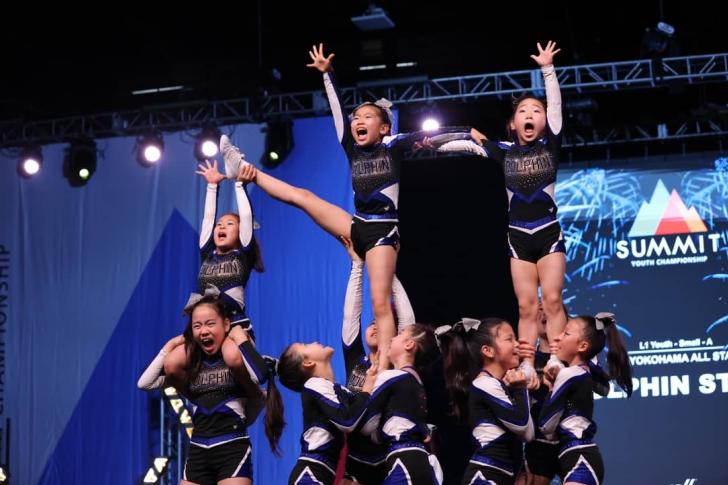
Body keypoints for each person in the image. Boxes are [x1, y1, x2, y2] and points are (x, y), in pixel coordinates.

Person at [432, 41, 567, 381]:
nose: (530, 115)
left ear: (545, 121)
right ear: (512, 123)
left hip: (548, 232)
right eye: (523, 112)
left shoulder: (551, 145)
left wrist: (547, 69)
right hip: (518, 236)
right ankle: (527, 363)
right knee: (525, 306)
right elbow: (469, 144)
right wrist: (432, 144)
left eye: (536, 111)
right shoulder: (503, 152)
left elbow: (555, 106)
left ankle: (556, 358)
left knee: (552, 300)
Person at [138, 295, 283, 485]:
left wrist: (240, 338)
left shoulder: (235, 359)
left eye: (210, 324)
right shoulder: (192, 366)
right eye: (197, 326)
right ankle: (256, 399)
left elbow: (260, 376)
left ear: (226, 324)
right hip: (198, 448)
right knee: (171, 363)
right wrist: (171, 345)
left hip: (231, 447)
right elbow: (145, 383)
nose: (204, 331)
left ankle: (256, 398)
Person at [164, 158, 267, 393]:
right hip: (206, 327)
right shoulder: (207, 254)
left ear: (240, 233)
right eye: (220, 225)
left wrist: (240, 185)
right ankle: (197, 397)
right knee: (172, 364)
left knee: (232, 357)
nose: (221, 227)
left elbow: (246, 218)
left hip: (234, 326)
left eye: (229, 224)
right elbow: (208, 218)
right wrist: (212, 186)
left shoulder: (242, 256)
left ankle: (253, 394)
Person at [339, 237, 415, 484]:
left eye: (379, 323)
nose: (374, 325)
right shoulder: (355, 359)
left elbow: (408, 324)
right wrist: (357, 265)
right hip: (354, 459)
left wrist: (388, 269)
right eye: (371, 323)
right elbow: (351, 315)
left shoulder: (396, 365)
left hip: (388, 459)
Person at [539, 313, 633, 485]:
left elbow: (546, 426)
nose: (558, 337)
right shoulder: (583, 371)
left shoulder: (568, 374)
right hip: (577, 457)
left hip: (580, 459)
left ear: (582, 346)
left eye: (566, 333)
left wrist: (551, 388)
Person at [437, 318, 534, 485]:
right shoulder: (485, 384)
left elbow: (528, 434)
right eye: (509, 339)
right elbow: (522, 424)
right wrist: (520, 387)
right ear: (488, 351)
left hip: (500, 477)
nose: (517, 344)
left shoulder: (499, 385)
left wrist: (520, 385)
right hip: (485, 476)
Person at [274, 341, 377, 485]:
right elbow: (347, 421)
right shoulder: (313, 384)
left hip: (323, 473)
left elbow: (360, 411)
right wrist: (367, 390)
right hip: (310, 475)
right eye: (305, 345)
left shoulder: (337, 390)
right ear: (308, 363)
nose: (314, 342)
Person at [357, 324, 443, 484]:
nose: (392, 338)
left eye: (399, 334)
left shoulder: (390, 377)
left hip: (403, 461)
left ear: (409, 344)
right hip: (418, 461)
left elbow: (366, 426)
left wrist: (366, 389)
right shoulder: (417, 382)